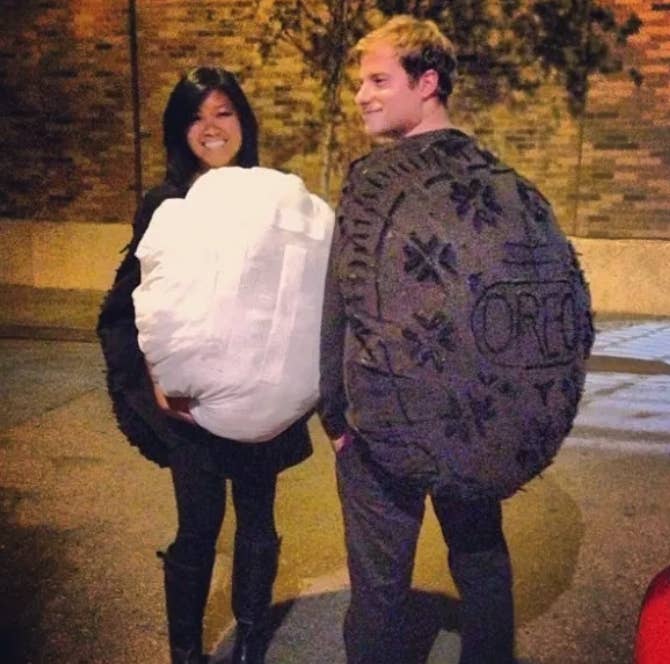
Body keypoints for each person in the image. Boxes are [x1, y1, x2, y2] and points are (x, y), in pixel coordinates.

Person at [318, 15, 594, 664]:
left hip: (382, 421)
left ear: (429, 81)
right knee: (480, 560)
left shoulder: (372, 184)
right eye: (362, 82)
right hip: (475, 420)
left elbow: (339, 307)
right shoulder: (506, 184)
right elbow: (544, 298)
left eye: (380, 79)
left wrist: (335, 413)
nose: (362, 95)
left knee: (381, 588)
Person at [97, 67, 313, 664]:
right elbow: (132, 307)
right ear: (179, 129)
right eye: (197, 116)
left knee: (257, 521)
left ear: (243, 121)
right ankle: (187, 652)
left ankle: (249, 638)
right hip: (190, 409)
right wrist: (158, 388)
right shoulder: (167, 203)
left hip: (260, 399)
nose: (211, 128)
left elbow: (297, 298)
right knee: (198, 525)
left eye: (223, 113)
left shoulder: (273, 200)